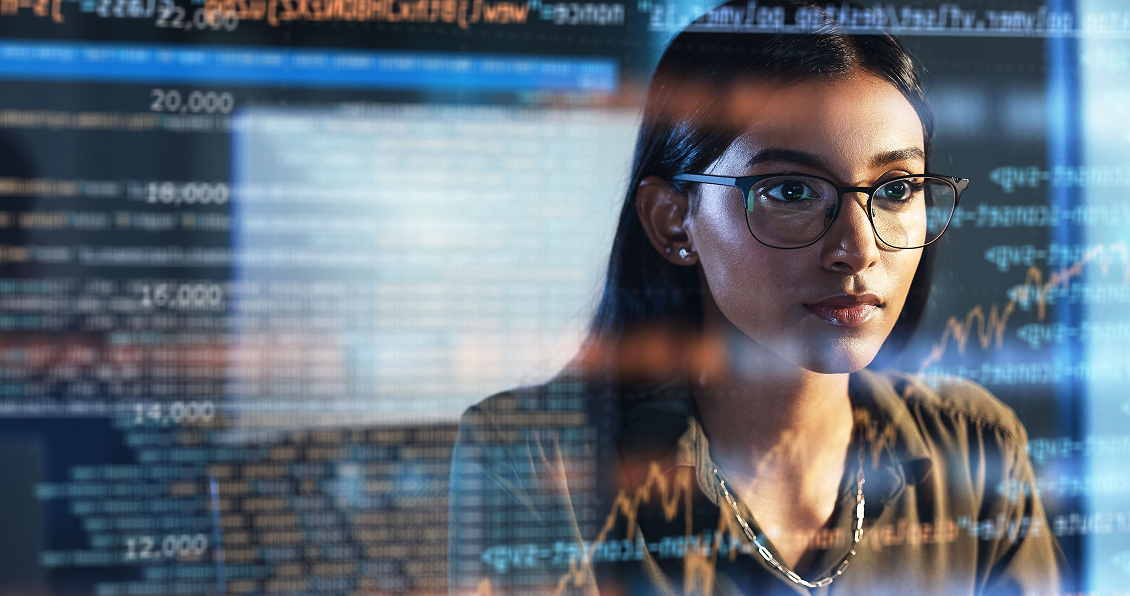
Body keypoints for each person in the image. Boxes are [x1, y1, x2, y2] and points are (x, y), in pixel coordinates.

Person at [448, 1, 1065, 594]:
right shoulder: (535, 458)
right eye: (792, 191)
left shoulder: (974, 450)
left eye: (898, 188)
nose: (857, 248)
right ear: (672, 221)